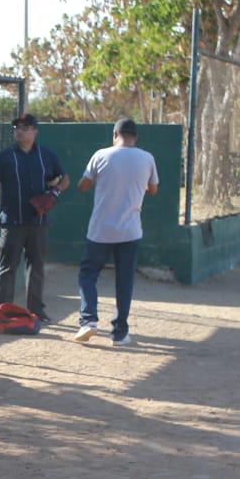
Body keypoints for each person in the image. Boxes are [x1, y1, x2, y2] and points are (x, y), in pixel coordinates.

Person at [73, 117, 159, 346]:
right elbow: (153, 190)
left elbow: (83, 186)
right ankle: (120, 332)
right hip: (130, 231)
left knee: (88, 274)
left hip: (100, 230)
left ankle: (88, 321)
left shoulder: (101, 155)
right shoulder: (147, 158)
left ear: (114, 134)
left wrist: (90, 179)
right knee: (124, 280)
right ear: (135, 136)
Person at [0, 113, 69, 322]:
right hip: (12, 221)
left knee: (37, 267)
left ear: (35, 131)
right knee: (7, 268)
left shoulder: (46, 155)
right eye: (16, 128)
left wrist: (55, 192)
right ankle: (3, 311)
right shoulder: (5, 156)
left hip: (38, 222)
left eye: (25, 127)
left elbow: (65, 178)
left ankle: (36, 311)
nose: (20, 131)